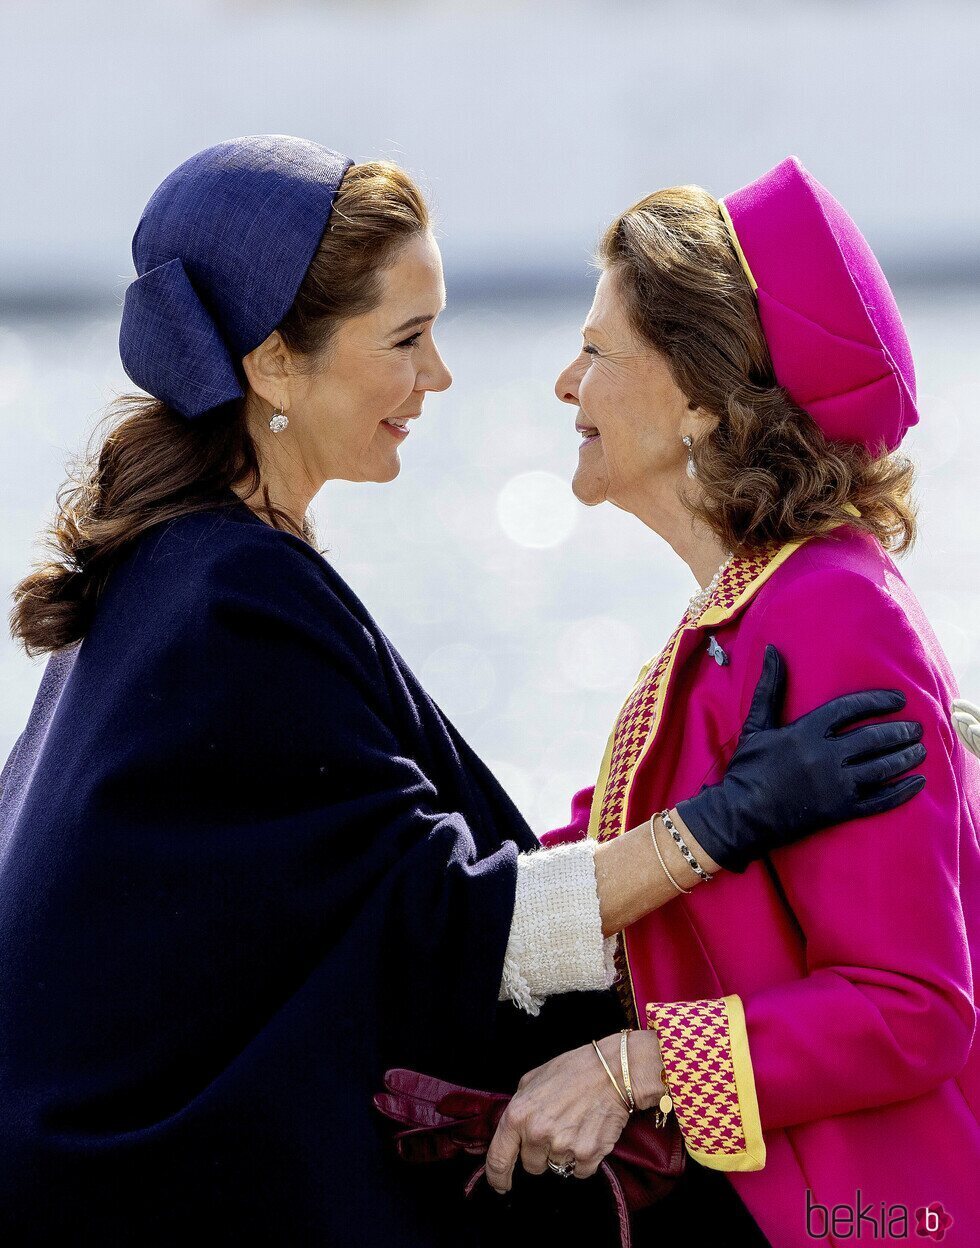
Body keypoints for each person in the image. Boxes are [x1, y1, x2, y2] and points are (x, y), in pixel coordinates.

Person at [0, 138, 927, 1247]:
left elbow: (382, 899)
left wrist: (633, 1053)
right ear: (274, 364)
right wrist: (717, 829)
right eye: (406, 338)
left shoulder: (183, 570)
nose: (441, 376)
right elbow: (440, 925)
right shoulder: (226, 596)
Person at [484, 156, 980, 1246]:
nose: (565, 386)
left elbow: (913, 1011)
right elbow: (607, 873)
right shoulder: (751, 610)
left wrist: (632, 1068)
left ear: (703, 402)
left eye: (594, 351)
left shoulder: (832, 616)